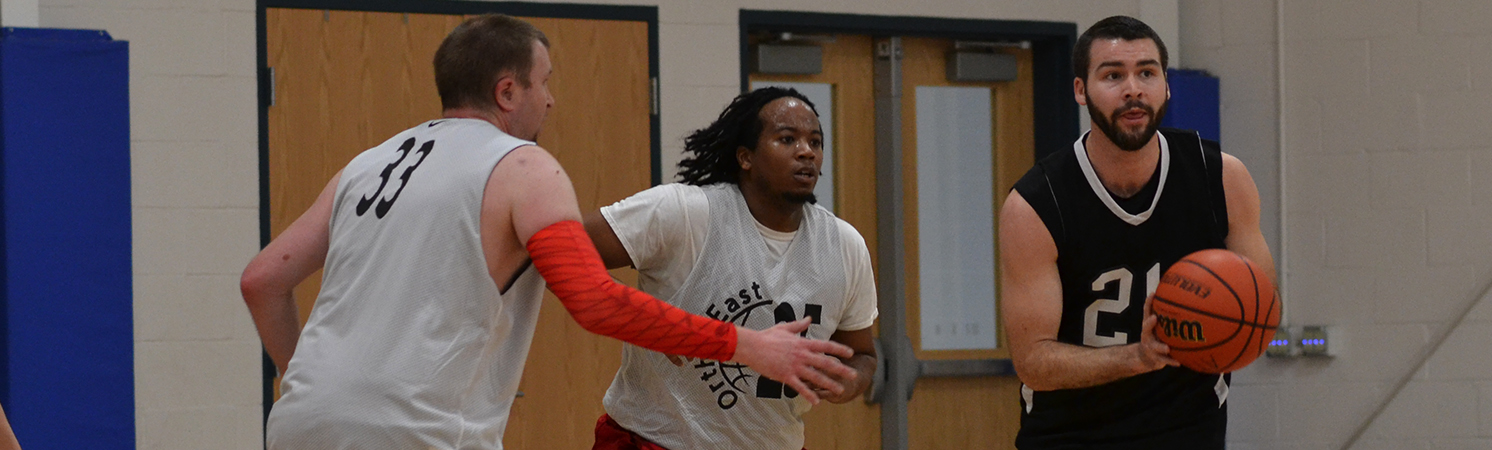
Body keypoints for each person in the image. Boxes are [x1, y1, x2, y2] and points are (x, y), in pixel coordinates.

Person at [238, 15, 854, 450]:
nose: (553, 100)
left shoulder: (370, 162)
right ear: (509, 91)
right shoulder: (523, 165)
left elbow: (262, 280)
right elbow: (591, 299)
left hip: (301, 421)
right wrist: (749, 346)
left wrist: (316, 386)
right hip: (415, 430)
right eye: (546, 80)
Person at [998, 15, 1277, 450]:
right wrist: (1137, 357)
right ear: (1080, 90)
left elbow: (1258, 308)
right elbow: (1033, 361)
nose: (1133, 88)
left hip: (1189, 429)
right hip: (1070, 434)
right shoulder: (1036, 203)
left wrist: (1228, 323)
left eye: (1147, 72)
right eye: (1113, 75)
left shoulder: (1221, 177)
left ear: (1166, 86)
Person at [581, 87, 878, 450]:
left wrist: (849, 382)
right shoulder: (686, 213)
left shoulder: (845, 245)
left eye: (815, 142)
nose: (806, 151)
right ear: (745, 157)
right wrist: (643, 322)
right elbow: (564, 248)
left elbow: (863, 354)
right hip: (653, 440)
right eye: (787, 139)